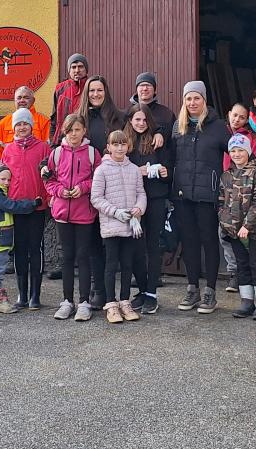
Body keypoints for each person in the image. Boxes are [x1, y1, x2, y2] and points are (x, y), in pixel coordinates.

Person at [170, 81, 230, 314]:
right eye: (188, 99)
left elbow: (236, 153)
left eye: (196, 98)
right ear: (184, 101)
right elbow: (170, 158)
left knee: (209, 241)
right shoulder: (178, 127)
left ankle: (210, 291)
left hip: (208, 195)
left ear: (204, 100)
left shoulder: (218, 127)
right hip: (183, 194)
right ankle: (192, 287)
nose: (192, 102)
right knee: (190, 242)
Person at [44, 113, 101, 321]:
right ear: (64, 132)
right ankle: (67, 301)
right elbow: (48, 179)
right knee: (66, 257)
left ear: (84, 131)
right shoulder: (57, 153)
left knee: (83, 256)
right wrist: (59, 191)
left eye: (77, 130)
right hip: (62, 213)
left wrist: (83, 188)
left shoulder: (93, 153)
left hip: (84, 212)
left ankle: (84, 301)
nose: (73, 134)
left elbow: (98, 178)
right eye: (69, 130)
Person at [77, 75, 123, 308]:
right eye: (92, 90)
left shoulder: (118, 117)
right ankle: (98, 290)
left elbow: (137, 132)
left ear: (106, 92)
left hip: (114, 187)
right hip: (88, 187)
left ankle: (117, 293)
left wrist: (157, 132)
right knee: (94, 241)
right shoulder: (80, 119)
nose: (95, 94)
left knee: (114, 243)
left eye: (100, 90)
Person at [90, 130, 146, 324]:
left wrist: (139, 208)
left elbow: (141, 192)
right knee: (111, 264)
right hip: (111, 225)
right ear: (109, 146)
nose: (119, 148)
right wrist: (115, 212)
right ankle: (111, 304)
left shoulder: (133, 169)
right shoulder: (102, 170)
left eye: (123, 144)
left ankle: (125, 301)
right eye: (116, 144)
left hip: (130, 225)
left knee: (127, 263)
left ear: (127, 146)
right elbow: (96, 198)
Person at [0, 108, 52, 309]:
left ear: (31, 126)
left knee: (35, 249)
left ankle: (35, 296)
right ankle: (22, 295)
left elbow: (49, 177)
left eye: (25, 124)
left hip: (37, 207)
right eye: (18, 124)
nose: (22, 127)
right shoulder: (8, 150)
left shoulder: (43, 148)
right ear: (14, 128)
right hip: (15, 208)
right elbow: (2, 179)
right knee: (19, 249)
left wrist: (47, 199)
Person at [123, 104, 172, 315]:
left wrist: (163, 172)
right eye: (137, 120)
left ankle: (151, 292)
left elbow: (170, 167)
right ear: (130, 121)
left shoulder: (157, 141)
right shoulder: (124, 143)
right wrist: (137, 172)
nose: (141, 124)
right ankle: (142, 290)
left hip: (155, 199)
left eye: (144, 120)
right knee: (135, 249)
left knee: (153, 246)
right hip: (132, 203)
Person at [220, 134, 256, 321]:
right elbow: (221, 202)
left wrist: (247, 226)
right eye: (233, 151)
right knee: (241, 265)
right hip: (233, 231)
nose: (236, 154)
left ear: (248, 152)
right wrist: (225, 222)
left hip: (254, 230)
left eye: (240, 150)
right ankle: (246, 301)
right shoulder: (226, 175)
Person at [0, 164, 41, 314]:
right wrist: (33, 204)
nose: (7, 182)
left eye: (9, 179)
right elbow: (13, 206)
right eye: (3, 179)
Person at [220, 102, 256, 292]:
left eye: (242, 117)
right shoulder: (220, 132)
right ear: (229, 114)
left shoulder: (251, 138)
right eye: (234, 115)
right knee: (226, 236)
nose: (237, 119)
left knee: (250, 239)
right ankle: (235, 273)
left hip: (246, 190)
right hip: (227, 190)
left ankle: (254, 282)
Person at [0, 85, 51, 166]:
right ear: (14, 100)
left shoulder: (44, 122)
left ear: (33, 100)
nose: (22, 100)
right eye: (19, 98)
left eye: (26, 97)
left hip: (34, 170)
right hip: (9, 172)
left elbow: (49, 149)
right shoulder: (5, 122)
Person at [50, 53, 89, 143]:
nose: (77, 70)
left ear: (86, 69)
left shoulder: (91, 87)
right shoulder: (60, 89)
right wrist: (53, 140)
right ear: (69, 70)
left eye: (80, 66)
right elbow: (53, 118)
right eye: (73, 67)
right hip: (62, 139)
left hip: (85, 139)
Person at [129, 72, 175, 145]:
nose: (145, 89)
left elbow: (172, 140)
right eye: (141, 85)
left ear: (154, 89)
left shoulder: (167, 114)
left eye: (148, 85)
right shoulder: (127, 113)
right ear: (137, 89)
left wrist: (160, 133)